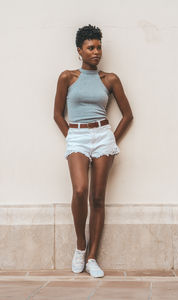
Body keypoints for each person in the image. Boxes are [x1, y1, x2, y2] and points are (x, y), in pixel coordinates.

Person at [53, 24, 133, 278]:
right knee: (79, 190)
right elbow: (56, 114)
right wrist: (72, 137)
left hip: (103, 138)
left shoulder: (109, 79)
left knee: (98, 198)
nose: (96, 51)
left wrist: (111, 140)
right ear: (80, 51)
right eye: (91, 47)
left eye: (99, 47)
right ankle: (80, 246)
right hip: (77, 135)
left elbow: (128, 115)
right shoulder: (68, 77)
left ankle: (92, 257)